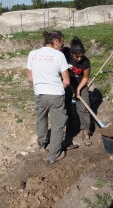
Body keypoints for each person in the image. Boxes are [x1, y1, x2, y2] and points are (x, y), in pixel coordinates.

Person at [27, 30, 70, 164]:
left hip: (40, 93)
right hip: (56, 94)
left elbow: (30, 76)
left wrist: (41, 85)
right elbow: (67, 81)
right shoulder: (59, 55)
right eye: (62, 44)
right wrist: (57, 88)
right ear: (56, 41)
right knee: (57, 125)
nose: (62, 47)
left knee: (41, 119)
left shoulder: (32, 54)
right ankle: (53, 155)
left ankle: (42, 144)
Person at [62, 37, 92, 147]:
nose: (79, 58)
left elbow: (85, 77)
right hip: (66, 84)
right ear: (71, 53)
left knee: (84, 108)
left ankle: (86, 132)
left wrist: (79, 89)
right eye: (77, 56)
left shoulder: (85, 62)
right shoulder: (65, 54)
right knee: (64, 106)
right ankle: (65, 127)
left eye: (81, 56)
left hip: (80, 85)